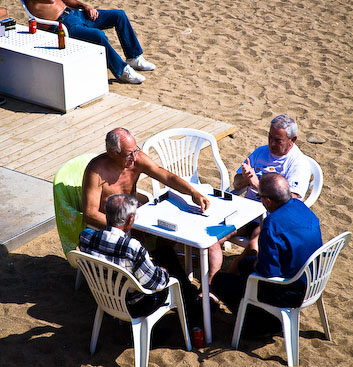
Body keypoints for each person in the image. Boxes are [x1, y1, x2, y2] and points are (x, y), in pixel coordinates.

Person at [14, 0, 155, 84]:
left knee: (119, 15)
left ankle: (134, 58)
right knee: (98, 35)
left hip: (76, 14)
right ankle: (122, 71)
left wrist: (85, 6)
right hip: (61, 26)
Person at [208, 114, 311, 284]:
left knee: (254, 246)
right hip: (246, 212)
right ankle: (212, 284)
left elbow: (291, 202)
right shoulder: (260, 152)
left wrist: (258, 185)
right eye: (269, 137)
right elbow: (237, 182)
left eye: (278, 140)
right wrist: (245, 178)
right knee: (212, 239)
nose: (271, 143)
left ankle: (225, 282)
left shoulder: (298, 164)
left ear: (293, 140)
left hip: (271, 218)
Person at [211, 173, 322, 318]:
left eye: (259, 197)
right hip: (313, 280)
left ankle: (255, 321)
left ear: (268, 201)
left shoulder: (272, 225)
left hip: (289, 291)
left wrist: (257, 263)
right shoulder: (301, 207)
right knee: (244, 264)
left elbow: (268, 272)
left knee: (219, 281)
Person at [80, 193, 200, 323]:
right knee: (173, 272)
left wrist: (143, 259)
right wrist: (163, 271)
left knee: (165, 252)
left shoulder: (86, 236)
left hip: (105, 296)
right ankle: (194, 309)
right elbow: (156, 283)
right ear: (130, 219)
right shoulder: (132, 247)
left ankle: (191, 294)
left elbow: (110, 252)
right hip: (135, 304)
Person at [82, 127, 210, 229]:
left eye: (135, 151)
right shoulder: (96, 171)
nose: (134, 158)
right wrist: (120, 227)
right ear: (112, 153)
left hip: (133, 214)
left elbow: (167, 177)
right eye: (128, 154)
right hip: (111, 221)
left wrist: (193, 192)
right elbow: (90, 214)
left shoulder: (137, 160)